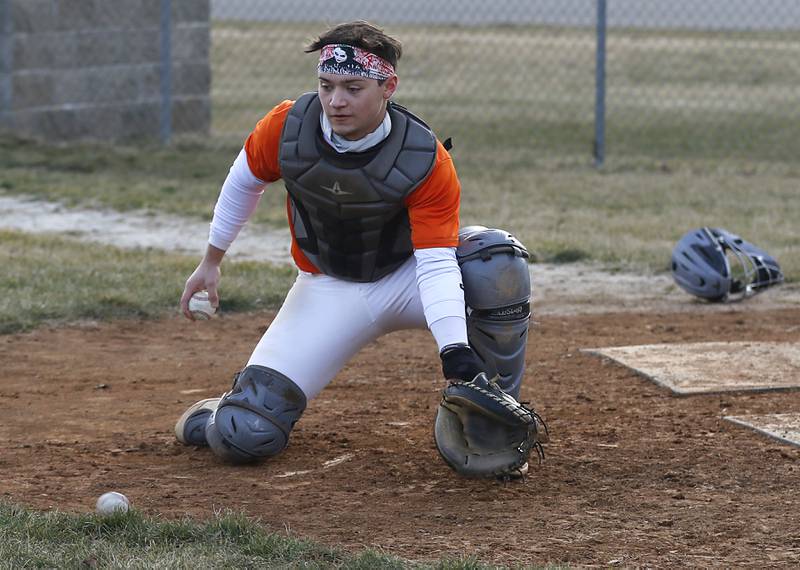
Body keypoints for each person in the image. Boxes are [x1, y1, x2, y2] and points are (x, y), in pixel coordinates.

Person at [174, 21, 536, 476]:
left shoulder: (422, 158)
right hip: (326, 286)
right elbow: (243, 181)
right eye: (326, 86)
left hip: (407, 279)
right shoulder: (288, 127)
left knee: (494, 262)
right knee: (245, 435)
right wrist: (211, 261)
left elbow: (436, 262)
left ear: (388, 86)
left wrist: (455, 353)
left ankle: (493, 424)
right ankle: (218, 415)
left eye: (352, 87)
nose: (335, 101)